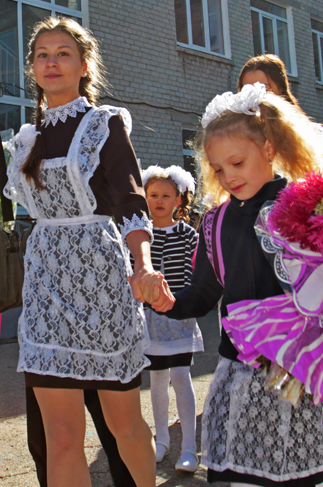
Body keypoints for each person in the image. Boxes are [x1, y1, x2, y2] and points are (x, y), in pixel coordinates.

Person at [147, 83, 323, 487]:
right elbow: (202, 292)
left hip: (295, 375)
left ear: (269, 149)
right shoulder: (216, 221)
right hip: (235, 374)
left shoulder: (307, 207)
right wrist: (168, 302)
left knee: (298, 476)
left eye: (237, 162)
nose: (228, 177)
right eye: (218, 170)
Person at [3, 16, 158, 487]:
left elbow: (132, 202)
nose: (52, 62)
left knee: (124, 425)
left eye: (63, 53)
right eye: (42, 55)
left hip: (101, 280)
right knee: (61, 437)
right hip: (47, 281)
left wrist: (144, 266)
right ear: (32, 68)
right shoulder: (25, 139)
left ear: (84, 65)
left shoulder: (103, 124)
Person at [139, 165, 202, 472]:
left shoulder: (189, 234)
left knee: (180, 376)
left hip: (179, 318)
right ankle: (161, 439)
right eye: (153, 195)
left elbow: (194, 275)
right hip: (149, 319)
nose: (159, 201)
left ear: (179, 199)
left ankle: (189, 445)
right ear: (144, 197)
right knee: (157, 379)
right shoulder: (140, 236)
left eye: (166, 195)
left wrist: (181, 304)